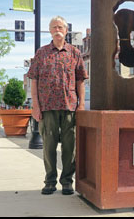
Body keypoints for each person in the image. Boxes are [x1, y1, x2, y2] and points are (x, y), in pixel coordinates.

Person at [27, 16, 88, 195]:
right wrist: (35, 106)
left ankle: (67, 182)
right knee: (48, 146)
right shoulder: (41, 53)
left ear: (66, 30)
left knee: (70, 147)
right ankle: (50, 181)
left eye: (60, 26)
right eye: (54, 27)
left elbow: (80, 81)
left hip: (69, 106)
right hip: (47, 108)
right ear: (50, 31)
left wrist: (82, 104)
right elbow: (34, 81)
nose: (57, 29)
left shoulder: (74, 53)